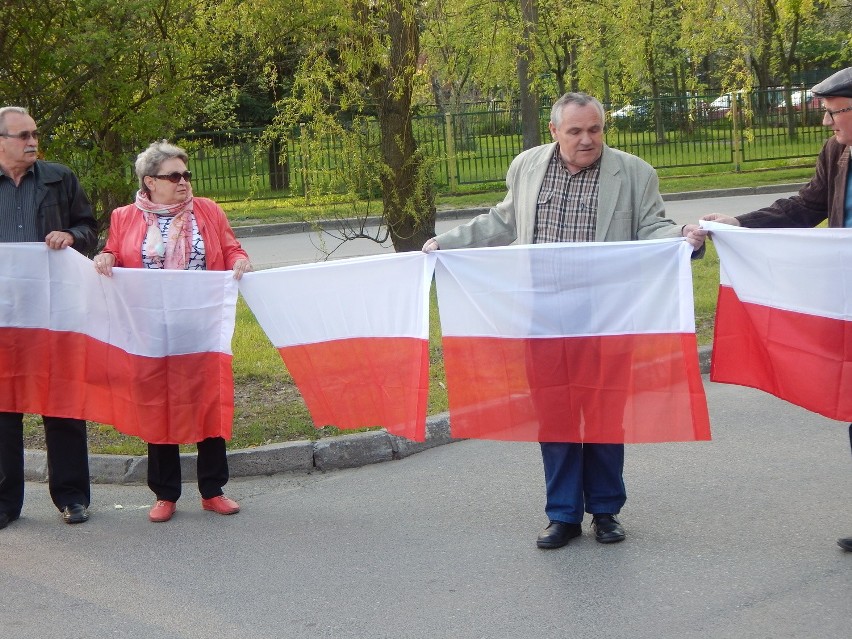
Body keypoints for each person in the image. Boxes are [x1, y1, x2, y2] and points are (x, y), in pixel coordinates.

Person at [423, 92, 706, 549]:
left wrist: (681, 238)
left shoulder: (634, 173)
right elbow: (503, 219)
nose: (587, 139)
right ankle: (562, 515)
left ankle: (606, 511)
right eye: (575, 131)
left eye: (594, 129)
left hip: (605, 319)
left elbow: (652, 227)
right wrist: (446, 244)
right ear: (555, 131)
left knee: (604, 415)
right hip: (542, 318)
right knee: (554, 417)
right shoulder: (528, 166)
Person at [700, 67, 852, 551]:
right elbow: (806, 208)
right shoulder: (836, 153)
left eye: (834, 114)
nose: (828, 124)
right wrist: (740, 223)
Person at [94, 140, 252, 523]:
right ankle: (165, 493)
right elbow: (114, 249)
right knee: (157, 404)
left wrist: (241, 259)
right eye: (174, 176)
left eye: (187, 174)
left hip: (201, 323)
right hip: (149, 328)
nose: (184, 182)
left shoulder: (208, 211)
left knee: (207, 401)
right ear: (150, 182)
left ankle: (212, 490)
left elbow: (231, 249)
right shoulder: (124, 216)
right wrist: (107, 256)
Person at [0, 106, 96, 529]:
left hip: (55, 313)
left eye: (35, 133)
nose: (32, 141)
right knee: (4, 408)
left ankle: (72, 497)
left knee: (63, 404)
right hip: (4, 316)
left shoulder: (60, 178)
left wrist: (72, 236)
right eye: (22, 135)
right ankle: (5, 502)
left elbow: (90, 230)